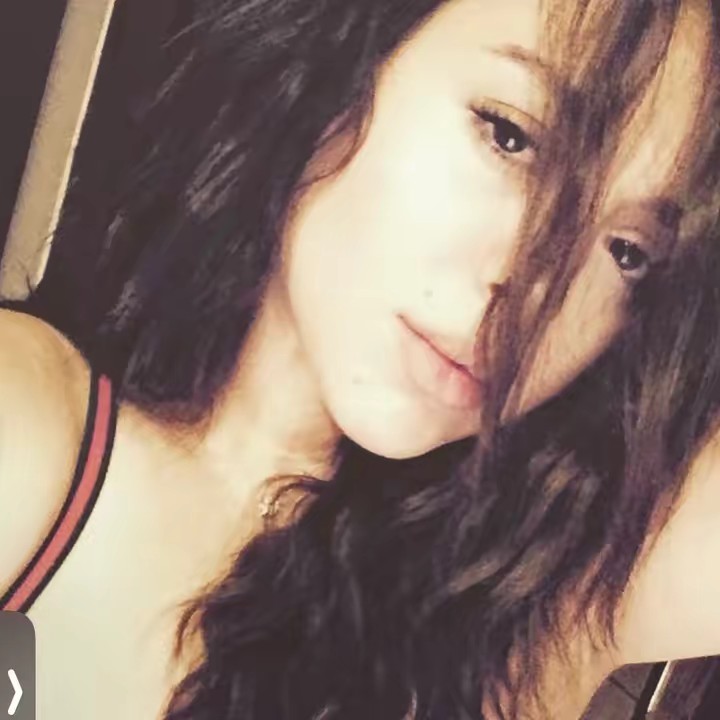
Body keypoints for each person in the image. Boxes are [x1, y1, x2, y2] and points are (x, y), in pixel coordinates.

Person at [1, 0, 719, 718]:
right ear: (347, 53)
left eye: (628, 251)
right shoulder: (32, 430)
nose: (536, 290)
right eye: (511, 137)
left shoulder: (537, 614)